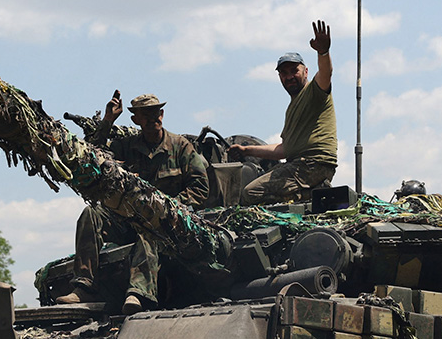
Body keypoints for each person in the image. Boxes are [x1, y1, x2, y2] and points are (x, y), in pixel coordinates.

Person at [56, 91, 210, 314]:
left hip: (167, 225)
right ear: (135, 119)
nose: (152, 118)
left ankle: (138, 293)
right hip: (127, 219)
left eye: (155, 113)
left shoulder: (180, 147)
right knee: (92, 213)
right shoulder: (126, 147)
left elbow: (200, 188)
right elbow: (90, 158)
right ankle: (85, 286)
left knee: (150, 228)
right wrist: (108, 121)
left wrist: (168, 207)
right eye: (145, 115)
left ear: (162, 114)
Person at [229, 20, 337, 205]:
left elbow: (326, 73)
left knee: (251, 192)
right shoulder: (292, 107)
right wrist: (246, 150)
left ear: (306, 71)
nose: (289, 77)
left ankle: (310, 195)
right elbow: (284, 150)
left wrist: (323, 52)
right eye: (284, 73)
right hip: (301, 165)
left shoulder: (314, 92)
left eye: (294, 71)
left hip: (312, 165)